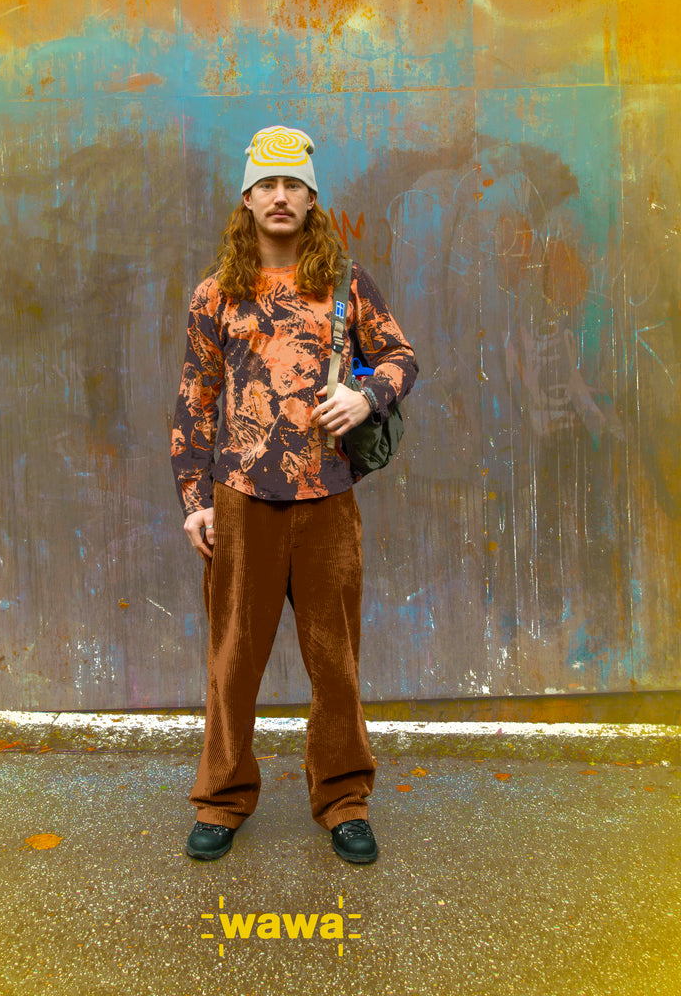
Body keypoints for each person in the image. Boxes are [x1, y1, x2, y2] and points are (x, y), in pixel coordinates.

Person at [170, 124, 417, 864]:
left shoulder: (346, 283)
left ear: (312, 199)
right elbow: (195, 400)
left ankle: (343, 800)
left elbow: (401, 357)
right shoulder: (216, 294)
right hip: (240, 501)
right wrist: (195, 500)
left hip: (327, 501)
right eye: (267, 184)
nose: (280, 196)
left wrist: (367, 396)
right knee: (232, 661)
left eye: (294, 185)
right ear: (247, 199)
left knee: (335, 664)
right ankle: (221, 797)